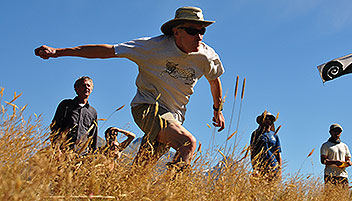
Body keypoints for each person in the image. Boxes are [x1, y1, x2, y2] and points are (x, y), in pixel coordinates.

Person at [35, 6, 225, 169]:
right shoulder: (152, 47)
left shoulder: (206, 56)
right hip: (147, 107)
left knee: (140, 170)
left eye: (202, 31)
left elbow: (214, 80)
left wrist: (218, 110)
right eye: (193, 31)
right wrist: (57, 52)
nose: (198, 36)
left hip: (175, 117)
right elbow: (107, 51)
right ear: (177, 31)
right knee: (187, 143)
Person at [50, 76, 98, 155]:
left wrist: (92, 156)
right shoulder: (66, 105)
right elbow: (55, 126)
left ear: (91, 89)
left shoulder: (93, 112)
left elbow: (93, 136)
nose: (86, 87)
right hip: (64, 151)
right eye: (84, 85)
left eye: (88, 86)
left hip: (82, 155)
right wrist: (56, 148)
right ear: (76, 89)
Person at [250, 111, 282, 180]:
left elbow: (278, 153)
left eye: (270, 119)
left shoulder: (275, 135)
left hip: (273, 167)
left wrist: (280, 169)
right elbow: (252, 152)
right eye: (266, 118)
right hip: (260, 166)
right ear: (262, 121)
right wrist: (254, 168)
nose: (268, 120)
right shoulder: (255, 134)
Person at [320, 123, 352, 188]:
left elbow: (348, 160)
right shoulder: (325, 145)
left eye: (339, 131)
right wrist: (335, 162)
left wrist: (348, 163)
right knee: (330, 196)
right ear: (330, 132)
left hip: (343, 176)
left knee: (344, 197)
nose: (337, 133)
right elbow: (323, 161)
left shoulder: (344, 146)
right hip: (330, 175)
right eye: (335, 131)